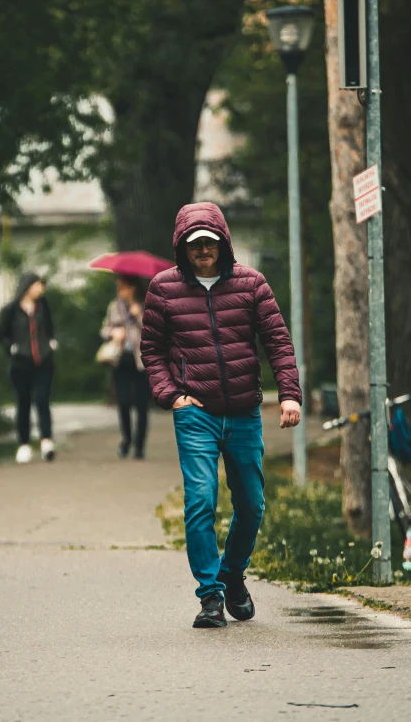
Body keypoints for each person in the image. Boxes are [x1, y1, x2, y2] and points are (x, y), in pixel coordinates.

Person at [141, 202, 302, 629]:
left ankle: (231, 574)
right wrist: (170, 395)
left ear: (223, 241)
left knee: (251, 505)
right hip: (196, 414)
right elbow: (152, 351)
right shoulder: (163, 289)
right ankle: (210, 596)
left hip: (246, 412)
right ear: (182, 247)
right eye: (194, 244)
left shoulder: (252, 284)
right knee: (199, 502)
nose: (203, 250)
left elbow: (278, 343)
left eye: (210, 241)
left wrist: (289, 395)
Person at [0, 272, 58, 464]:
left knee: (42, 400)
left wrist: (51, 342)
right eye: (38, 285)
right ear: (27, 287)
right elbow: (2, 334)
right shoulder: (11, 310)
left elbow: (49, 327)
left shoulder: (43, 306)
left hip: (44, 361)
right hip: (21, 363)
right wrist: (12, 348)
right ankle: (23, 444)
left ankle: (46, 441)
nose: (41, 289)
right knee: (23, 403)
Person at [101, 275, 150, 459]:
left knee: (141, 404)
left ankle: (139, 445)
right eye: (118, 288)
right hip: (121, 359)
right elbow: (104, 329)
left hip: (141, 360)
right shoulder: (114, 306)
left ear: (133, 288)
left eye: (123, 288)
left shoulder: (146, 304)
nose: (120, 292)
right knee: (123, 402)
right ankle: (126, 439)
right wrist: (113, 332)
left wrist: (139, 316)